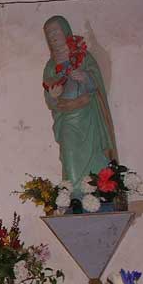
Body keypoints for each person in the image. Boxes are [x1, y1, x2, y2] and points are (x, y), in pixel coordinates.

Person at [42, 16, 115, 197]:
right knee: (70, 156)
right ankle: (76, 198)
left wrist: (85, 77)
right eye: (48, 33)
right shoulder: (51, 66)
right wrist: (53, 96)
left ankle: (99, 195)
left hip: (89, 116)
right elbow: (49, 96)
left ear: (65, 31)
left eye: (55, 31)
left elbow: (95, 83)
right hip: (67, 119)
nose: (52, 36)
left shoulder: (83, 57)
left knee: (95, 154)